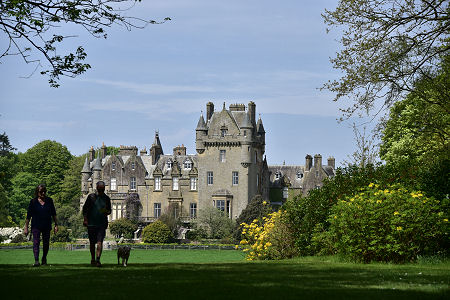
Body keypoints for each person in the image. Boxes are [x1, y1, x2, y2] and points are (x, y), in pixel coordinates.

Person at [24, 184, 58, 267]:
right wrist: (26, 227)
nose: (43, 193)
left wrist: (56, 225)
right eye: (41, 192)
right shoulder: (33, 202)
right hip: (36, 225)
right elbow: (28, 216)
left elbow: (54, 214)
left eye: (44, 191)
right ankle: (36, 260)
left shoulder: (49, 201)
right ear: (37, 192)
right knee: (36, 243)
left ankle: (44, 259)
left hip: (46, 225)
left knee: (46, 243)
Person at [82, 181, 111, 267]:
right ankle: (92, 259)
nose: (101, 190)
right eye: (100, 188)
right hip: (91, 223)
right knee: (92, 243)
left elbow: (109, 211)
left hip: (101, 224)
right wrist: (85, 219)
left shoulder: (106, 198)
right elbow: (85, 209)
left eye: (102, 189)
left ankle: (98, 259)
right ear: (97, 188)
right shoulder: (91, 197)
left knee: (99, 242)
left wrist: (102, 210)